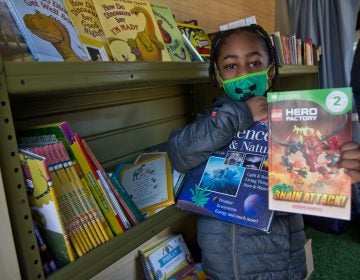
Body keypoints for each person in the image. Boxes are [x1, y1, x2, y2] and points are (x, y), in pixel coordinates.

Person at [167, 24, 360, 279]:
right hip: (222, 266)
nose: (244, 72)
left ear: (270, 71)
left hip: (280, 266)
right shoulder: (212, 122)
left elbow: (330, 220)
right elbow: (180, 153)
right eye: (231, 65)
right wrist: (240, 115)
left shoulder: (296, 126)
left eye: (255, 63)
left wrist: (340, 177)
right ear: (218, 75)